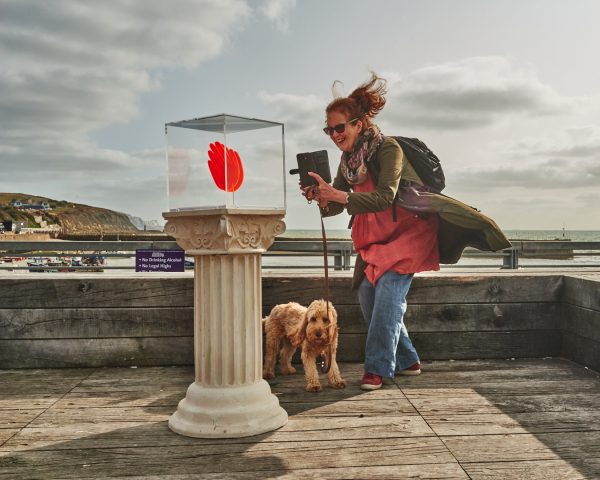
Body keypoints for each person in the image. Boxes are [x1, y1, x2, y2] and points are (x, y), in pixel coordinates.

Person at [305, 73, 439, 391]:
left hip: (408, 234)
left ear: (358, 124)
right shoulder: (347, 162)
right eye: (329, 129)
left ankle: (376, 368)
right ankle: (408, 360)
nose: (335, 134)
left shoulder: (388, 149)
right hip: (377, 239)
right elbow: (338, 204)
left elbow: (384, 197)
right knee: (367, 293)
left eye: (340, 127)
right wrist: (323, 197)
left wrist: (339, 196)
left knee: (389, 295)